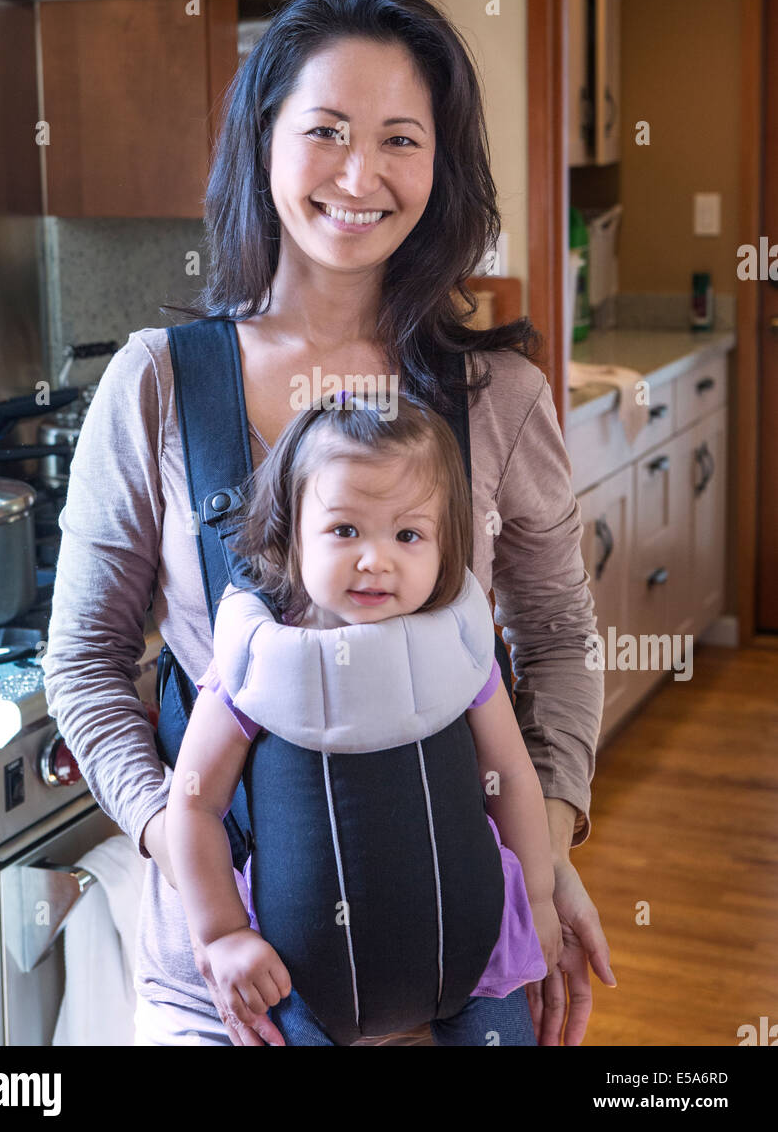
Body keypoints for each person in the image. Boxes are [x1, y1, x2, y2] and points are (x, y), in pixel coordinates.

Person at [42, 0, 616, 1047]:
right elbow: (82, 663)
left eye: (402, 138)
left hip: (465, 959)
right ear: (265, 139)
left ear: (439, 165)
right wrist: (185, 847)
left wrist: (548, 856)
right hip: (233, 994)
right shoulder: (158, 384)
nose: (362, 173)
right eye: (327, 131)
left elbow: (559, 639)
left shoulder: (498, 396)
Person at [166, 387, 556, 1046]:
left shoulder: (460, 652)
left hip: (482, 958)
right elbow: (194, 803)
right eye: (345, 529)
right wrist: (222, 932)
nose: (375, 559)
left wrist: (541, 900)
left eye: (408, 534)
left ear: (445, 547)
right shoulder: (254, 662)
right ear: (292, 537)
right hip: (296, 981)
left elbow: (513, 778)